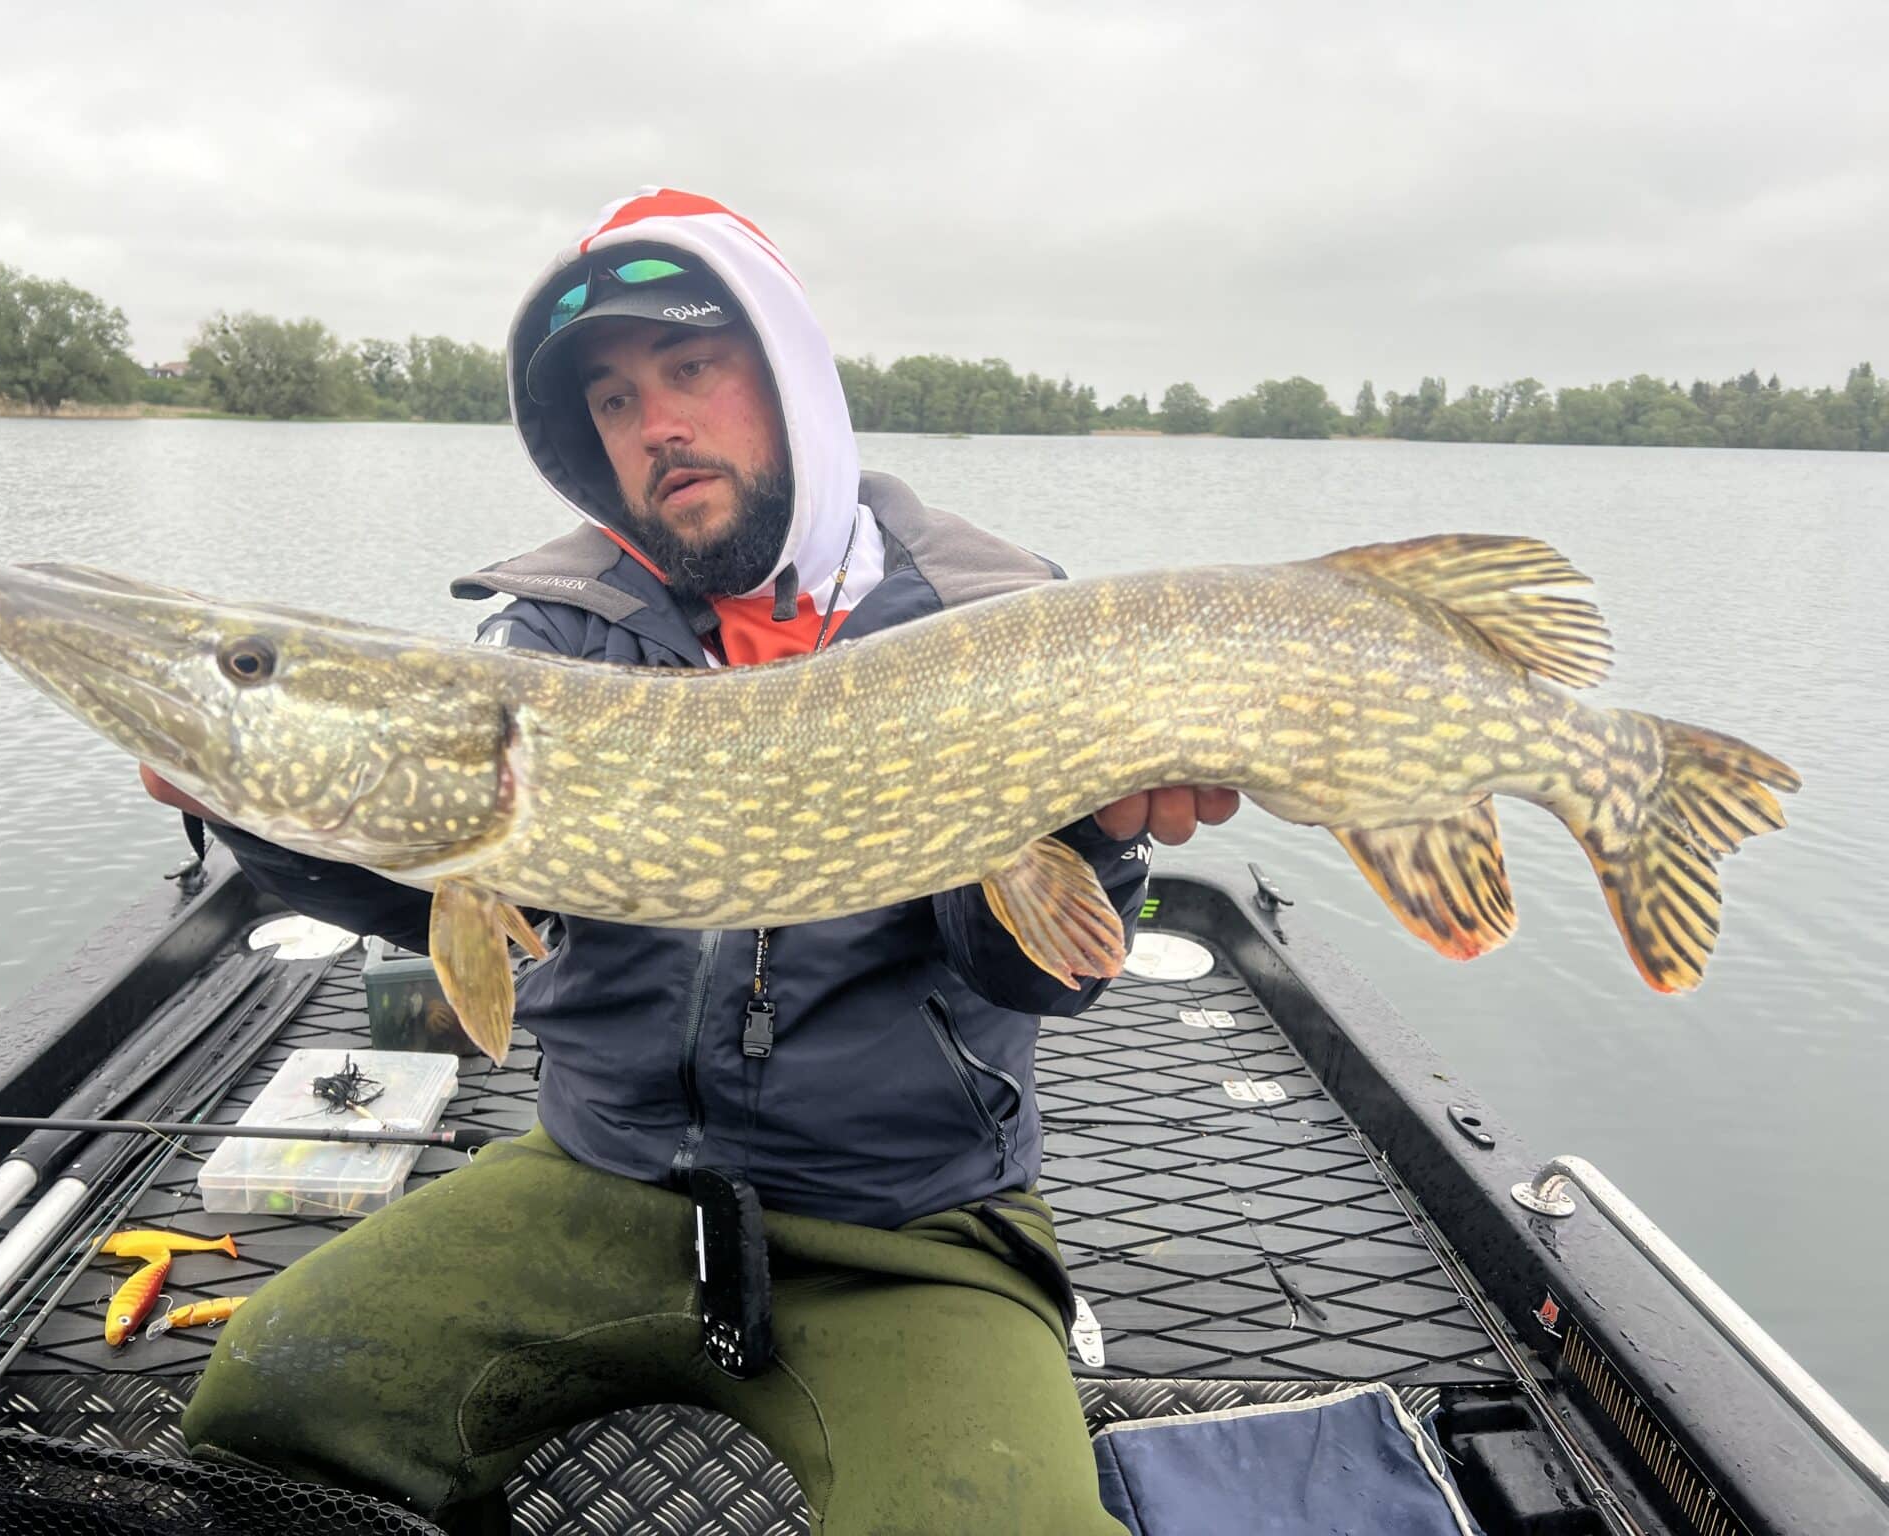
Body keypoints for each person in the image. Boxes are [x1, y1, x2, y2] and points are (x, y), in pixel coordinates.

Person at [161, 187, 1237, 1536]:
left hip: (906, 1228)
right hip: (603, 1178)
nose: (654, 424)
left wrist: (1097, 832)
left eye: (689, 369)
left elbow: (1041, 978)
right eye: (613, 400)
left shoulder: (999, 615)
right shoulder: (556, 640)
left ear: (789, 383)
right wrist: (265, 804)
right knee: (270, 1403)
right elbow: (454, 884)